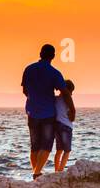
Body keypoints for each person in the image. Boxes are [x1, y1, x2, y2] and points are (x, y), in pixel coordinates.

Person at [21, 43, 66, 179]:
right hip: (48, 113)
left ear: (40, 54)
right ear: (53, 56)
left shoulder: (29, 69)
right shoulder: (54, 73)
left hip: (32, 111)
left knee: (34, 145)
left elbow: (24, 90)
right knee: (46, 145)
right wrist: (72, 109)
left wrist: (34, 99)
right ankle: (36, 173)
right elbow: (65, 92)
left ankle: (37, 173)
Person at [53, 79, 75, 171]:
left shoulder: (56, 99)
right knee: (67, 151)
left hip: (57, 125)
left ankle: (56, 170)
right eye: (71, 91)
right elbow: (72, 114)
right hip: (66, 126)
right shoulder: (68, 100)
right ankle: (61, 171)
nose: (72, 94)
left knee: (59, 150)